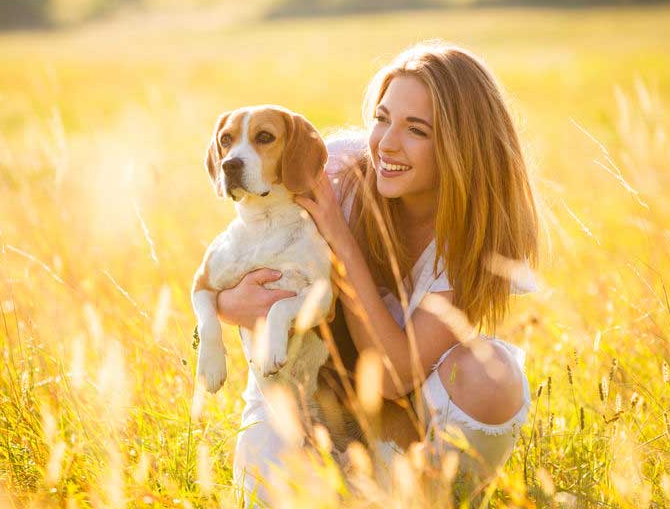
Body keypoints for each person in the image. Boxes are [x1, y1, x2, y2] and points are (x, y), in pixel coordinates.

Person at [216, 40, 540, 505]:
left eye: (416, 130)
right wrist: (226, 303)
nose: (386, 144)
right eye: (382, 119)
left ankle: (430, 493)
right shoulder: (332, 172)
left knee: (494, 376)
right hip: (303, 399)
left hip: (405, 421)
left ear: (461, 145)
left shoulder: (480, 237)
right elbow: (234, 265)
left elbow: (390, 375)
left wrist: (342, 242)